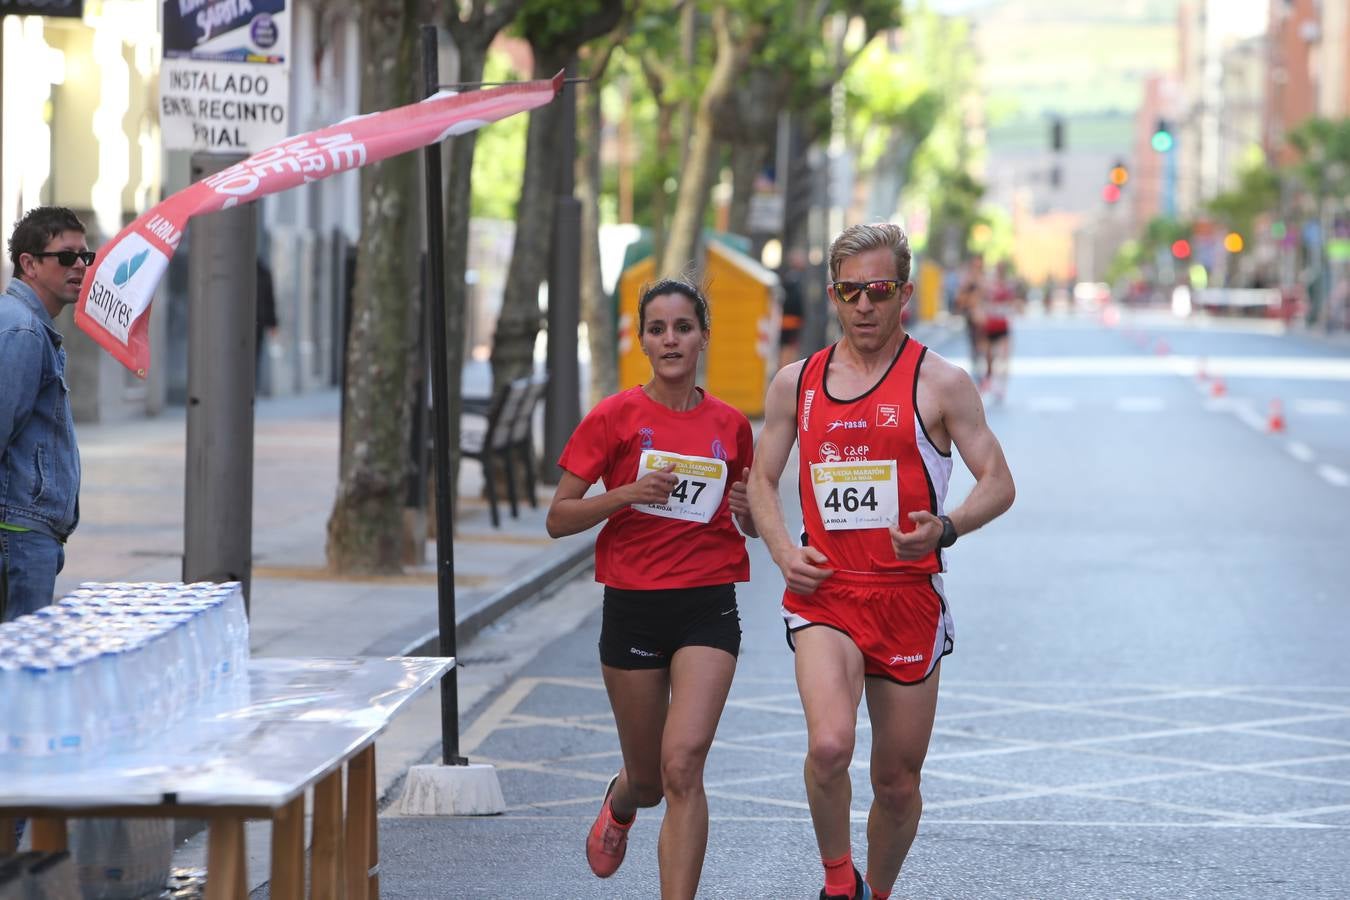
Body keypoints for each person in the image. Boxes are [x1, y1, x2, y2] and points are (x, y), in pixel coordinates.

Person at [747, 223, 1015, 900]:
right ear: (833, 296)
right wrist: (784, 551)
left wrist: (945, 528)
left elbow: (999, 483)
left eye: (879, 290)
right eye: (849, 291)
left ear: (903, 294)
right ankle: (839, 883)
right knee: (830, 746)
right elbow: (760, 478)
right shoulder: (796, 384)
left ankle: (878, 892)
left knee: (897, 785)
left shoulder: (941, 383)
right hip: (826, 594)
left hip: (906, 598)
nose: (863, 305)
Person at [545, 278, 757, 899]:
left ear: (703, 336)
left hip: (707, 606)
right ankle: (621, 799)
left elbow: (745, 520)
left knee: (684, 764)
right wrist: (626, 495)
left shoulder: (730, 425)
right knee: (650, 779)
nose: (671, 340)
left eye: (683, 327)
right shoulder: (614, 417)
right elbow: (558, 517)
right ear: (641, 340)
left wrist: (747, 508)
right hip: (633, 609)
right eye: (658, 329)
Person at [0, 207, 88, 623]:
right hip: (17, 530)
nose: (79, 268)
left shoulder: (30, 327)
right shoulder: (23, 331)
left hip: (28, 530)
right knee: (17, 672)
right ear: (29, 263)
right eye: (66, 257)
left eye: (85, 257)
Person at [953, 256, 987, 380]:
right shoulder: (967, 279)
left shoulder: (983, 279)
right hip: (972, 316)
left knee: (983, 343)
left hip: (983, 316)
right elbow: (960, 297)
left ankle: (984, 367)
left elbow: (987, 295)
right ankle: (977, 366)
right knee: (974, 343)